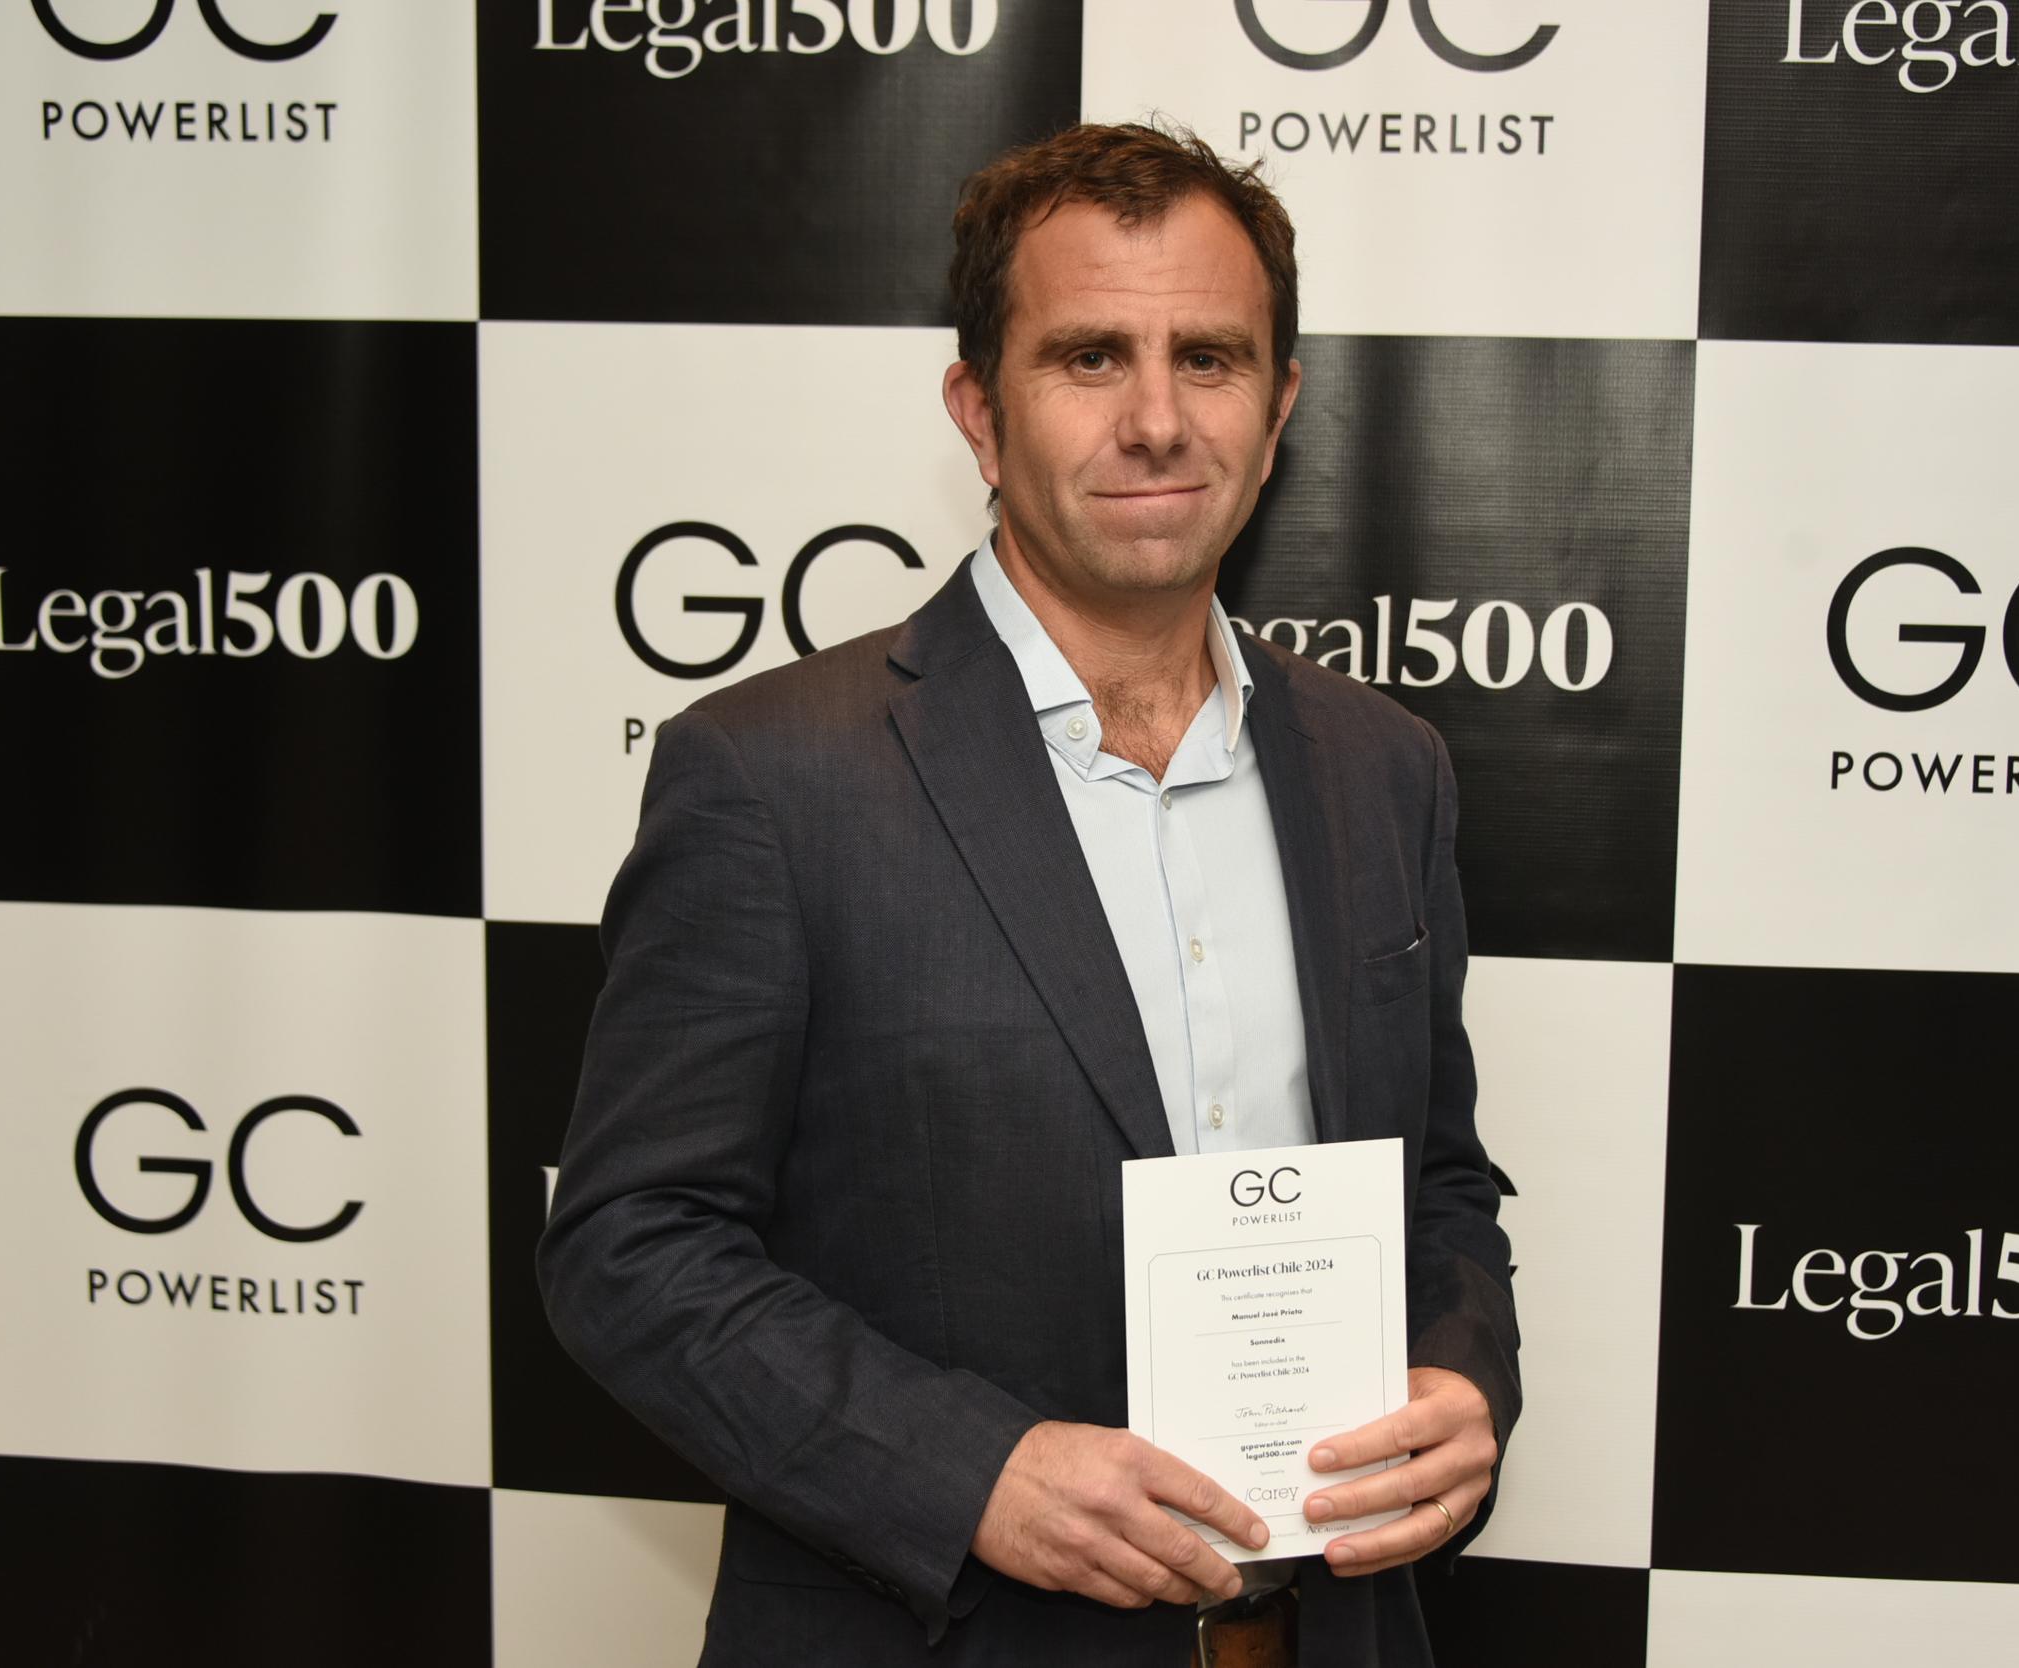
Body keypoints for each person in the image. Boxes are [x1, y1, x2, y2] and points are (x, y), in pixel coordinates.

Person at [539, 121, 1519, 1668]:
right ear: (980, 414)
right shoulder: (773, 777)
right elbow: (628, 1247)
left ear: (1278, 412)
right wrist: (969, 1475)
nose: (1157, 419)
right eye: (1088, 357)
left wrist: (1463, 1374)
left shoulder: (1385, 767)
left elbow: (1440, 1185)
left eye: (1209, 358)